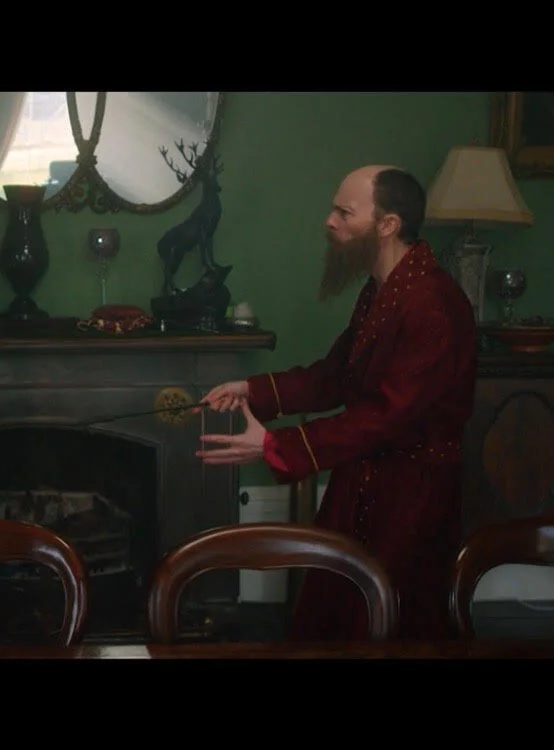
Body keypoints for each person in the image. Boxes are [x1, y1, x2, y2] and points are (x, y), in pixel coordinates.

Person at [195, 165, 477, 641]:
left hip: (412, 497)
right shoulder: (383, 289)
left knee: (395, 622)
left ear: (388, 224)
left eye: (345, 213)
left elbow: (388, 416)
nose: (330, 221)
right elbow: (334, 378)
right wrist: (252, 389)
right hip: (364, 483)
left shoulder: (432, 303)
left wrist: (276, 445)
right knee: (337, 619)